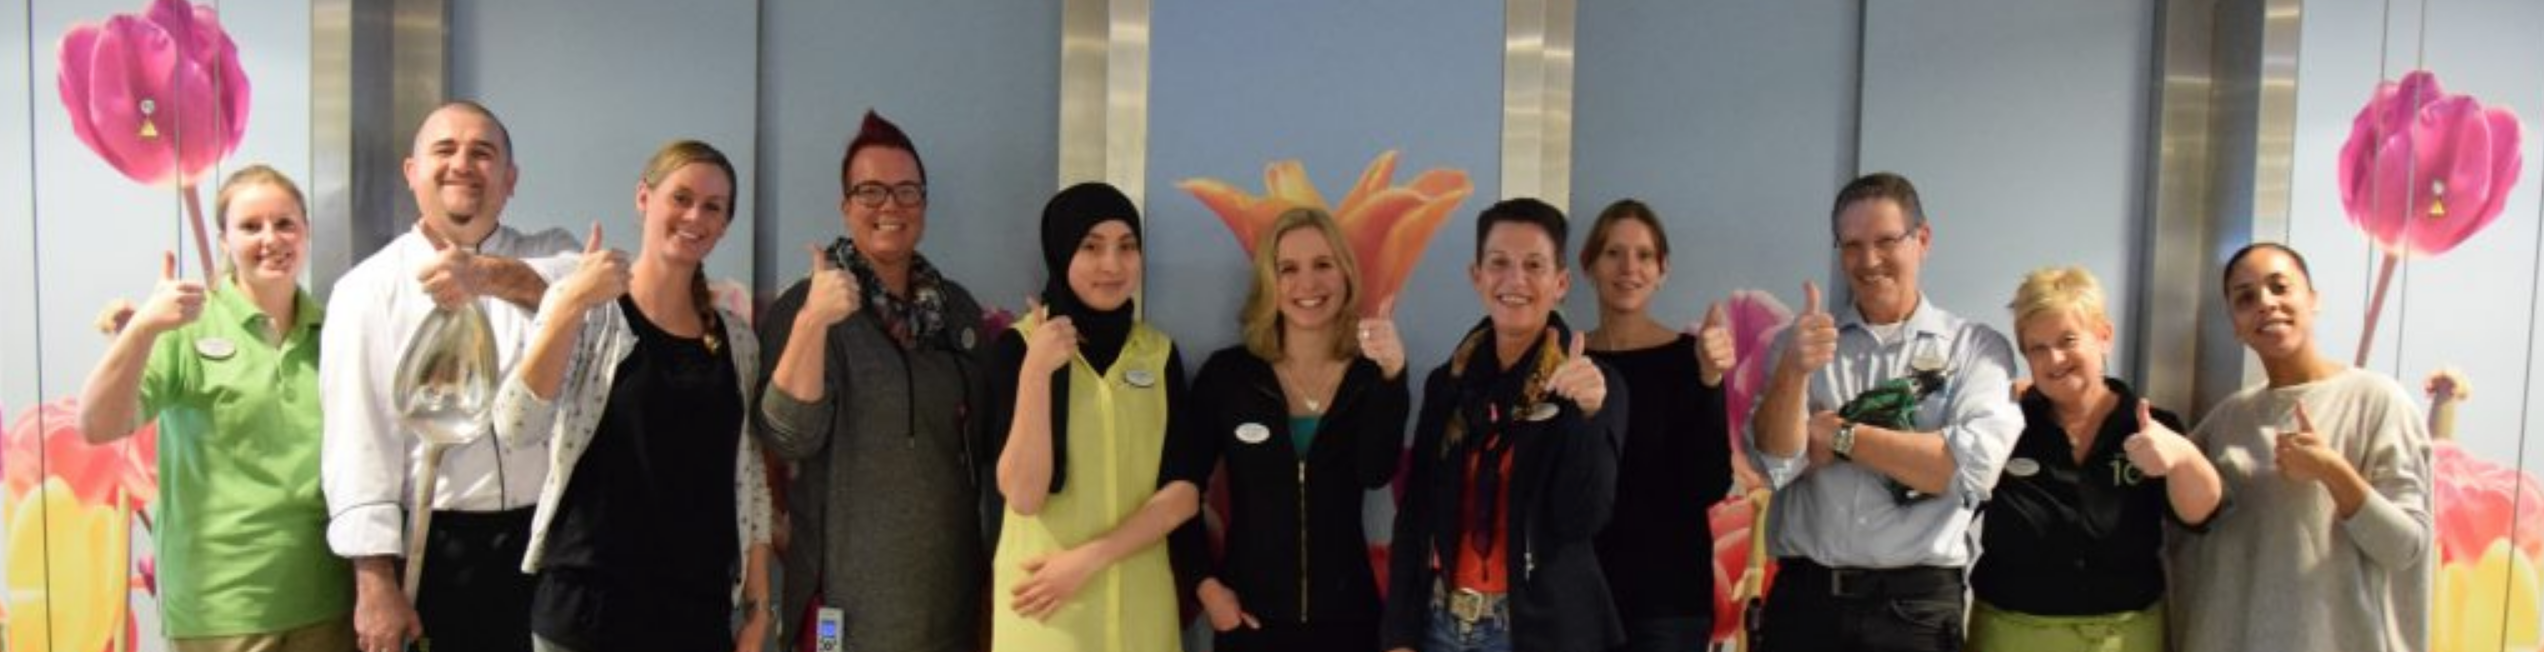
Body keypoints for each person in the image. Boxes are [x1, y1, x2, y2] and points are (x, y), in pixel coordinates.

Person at [321, 101, 583, 652]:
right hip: (437, 544)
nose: (462, 164)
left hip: (552, 542)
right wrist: (374, 584)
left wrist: (481, 274)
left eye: (482, 153)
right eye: (445, 150)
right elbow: (357, 443)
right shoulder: (367, 290)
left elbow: (587, 290)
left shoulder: (547, 255)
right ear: (412, 172)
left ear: (510, 180)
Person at [494, 140, 773, 652]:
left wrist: (759, 606)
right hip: (587, 615)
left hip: (698, 616)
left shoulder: (736, 341)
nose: (695, 216)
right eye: (681, 198)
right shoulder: (589, 310)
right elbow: (515, 425)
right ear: (644, 198)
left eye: (713, 207)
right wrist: (572, 302)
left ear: (724, 225)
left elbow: (751, 476)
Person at [78, 166, 353, 651]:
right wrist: (143, 329)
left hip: (325, 599)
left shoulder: (333, 332)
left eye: (285, 224)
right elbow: (98, 425)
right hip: (220, 609)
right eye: (250, 226)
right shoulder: (185, 327)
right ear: (225, 241)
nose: (271, 239)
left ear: (306, 232)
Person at [1745, 172, 2021, 652]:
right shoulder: (1800, 343)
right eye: (1852, 245)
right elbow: (1774, 462)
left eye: (1886, 241)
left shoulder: (1975, 348)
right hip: (1805, 604)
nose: (1869, 261)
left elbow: (1963, 469)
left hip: (1915, 611)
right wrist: (1793, 370)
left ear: (1923, 240)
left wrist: (1840, 436)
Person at [755, 110, 992, 652]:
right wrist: (814, 321)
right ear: (846, 206)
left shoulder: (957, 311)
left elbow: (984, 448)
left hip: (950, 605)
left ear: (924, 205)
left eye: (907, 191)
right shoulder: (806, 306)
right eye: (870, 191)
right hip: (845, 612)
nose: (891, 206)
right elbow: (787, 437)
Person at [1382, 197, 1627, 652]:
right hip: (1440, 626)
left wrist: (1588, 418)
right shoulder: (1448, 383)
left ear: (1560, 283)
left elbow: (1581, 519)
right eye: (1499, 263)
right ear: (1477, 276)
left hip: (1537, 632)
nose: (1515, 280)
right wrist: (1398, 634)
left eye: (1534, 265)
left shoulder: (1591, 385)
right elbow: (1415, 511)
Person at [2170, 243, 2431, 652]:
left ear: (2313, 299)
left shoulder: (2377, 401)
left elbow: (2404, 548)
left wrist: (2333, 472)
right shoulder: (2228, 419)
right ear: (2234, 324)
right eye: (2245, 298)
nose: (2265, 303)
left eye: (2280, 287)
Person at [986, 182, 1206, 651]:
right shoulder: (1019, 348)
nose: (1112, 265)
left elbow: (1183, 495)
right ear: (1061, 251)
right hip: (1047, 614)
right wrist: (1037, 372)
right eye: (1091, 247)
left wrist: (1088, 560)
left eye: (1127, 247)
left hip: (1141, 614)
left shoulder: (1158, 354)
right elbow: (1023, 495)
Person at [1181, 207, 1411, 652]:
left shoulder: (1369, 378)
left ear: (1346, 276)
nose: (1308, 283)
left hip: (1349, 624)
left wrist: (1392, 377)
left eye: (1323, 265)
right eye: (1288, 269)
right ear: (1269, 282)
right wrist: (1205, 586)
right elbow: (1181, 489)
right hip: (1250, 622)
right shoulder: (1229, 377)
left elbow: (1375, 471)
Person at [1965, 266, 2222, 652]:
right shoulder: (2005, 426)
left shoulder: (2151, 427)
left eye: (2067, 340)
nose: (2054, 359)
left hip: (2124, 637)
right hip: (2010, 634)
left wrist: (2183, 458)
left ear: (2104, 336)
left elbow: (2200, 516)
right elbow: (1950, 508)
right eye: (2037, 348)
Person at [1574, 199, 1734, 652]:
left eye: (1644, 255)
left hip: (1668, 603)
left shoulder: (1691, 358)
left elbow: (1710, 483)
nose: (1629, 267)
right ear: (1589, 266)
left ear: (1662, 270)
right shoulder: (1569, 361)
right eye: (1613, 253)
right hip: (1580, 598)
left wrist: (1709, 379)